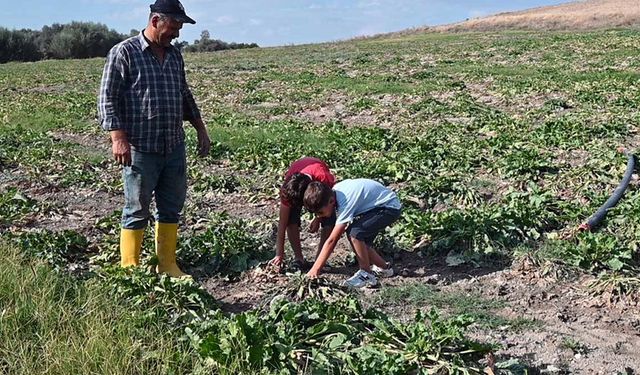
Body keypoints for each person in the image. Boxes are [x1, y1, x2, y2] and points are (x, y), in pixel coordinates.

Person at [97, 0, 210, 277]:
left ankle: (167, 264)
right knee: (137, 208)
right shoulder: (124, 52)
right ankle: (130, 268)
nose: (177, 33)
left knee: (171, 206)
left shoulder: (174, 56)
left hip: (172, 144)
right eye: (174, 26)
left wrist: (200, 127)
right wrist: (117, 138)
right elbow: (106, 98)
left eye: (180, 27)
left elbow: (184, 93)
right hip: (140, 147)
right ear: (156, 21)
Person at [303, 179, 401, 288]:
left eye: (320, 212)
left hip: (389, 207)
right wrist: (318, 218)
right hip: (378, 206)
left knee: (355, 233)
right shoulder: (334, 192)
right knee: (360, 242)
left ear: (331, 201)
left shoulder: (346, 201)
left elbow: (332, 240)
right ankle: (384, 269)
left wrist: (315, 269)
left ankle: (366, 273)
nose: (320, 215)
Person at [269, 157, 336, 271]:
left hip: (319, 182)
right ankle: (299, 258)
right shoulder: (288, 189)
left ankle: (320, 259)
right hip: (299, 170)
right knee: (291, 219)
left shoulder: (324, 179)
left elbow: (329, 206)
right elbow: (283, 223)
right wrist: (279, 254)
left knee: (329, 219)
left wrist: (318, 218)